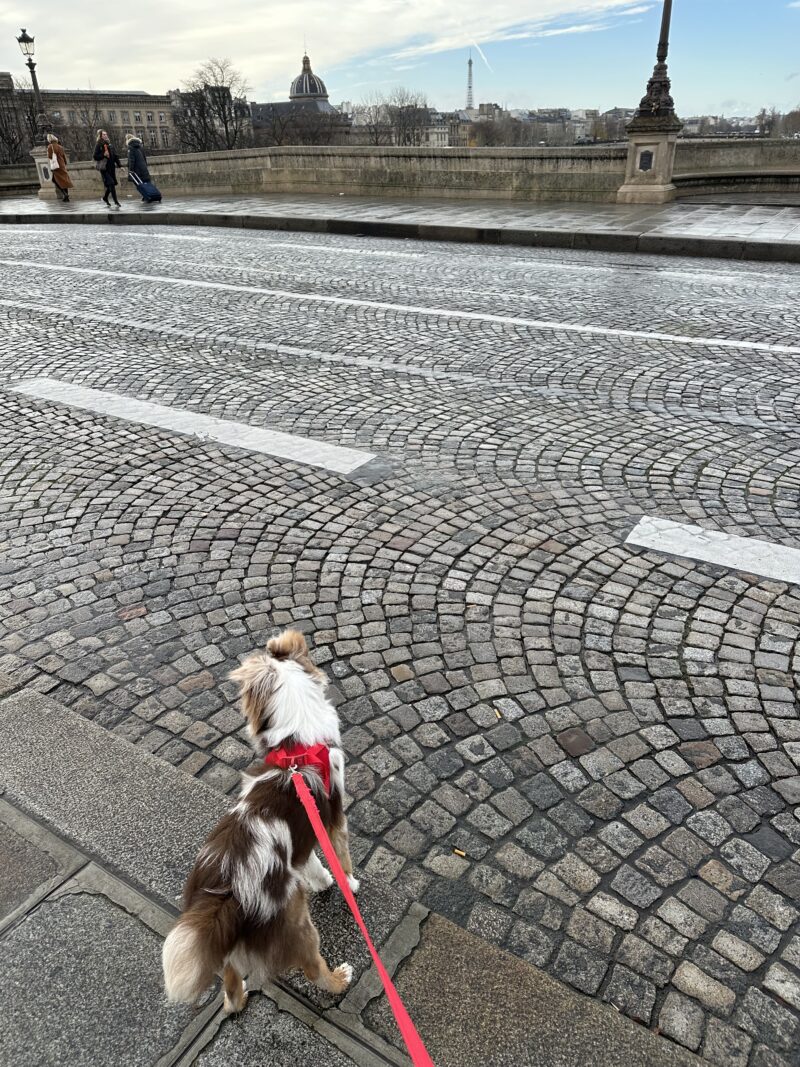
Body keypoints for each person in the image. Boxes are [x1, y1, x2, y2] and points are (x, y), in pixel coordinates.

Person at [93, 130, 122, 208]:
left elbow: (115, 156)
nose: (105, 135)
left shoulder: (110, 144)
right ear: (100, 136)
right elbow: (95, 156)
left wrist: (120, 166)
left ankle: (105, 198)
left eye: (106, 134)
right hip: (104, 168)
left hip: (111, 167)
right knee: (111, 183)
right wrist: (103, 155)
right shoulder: (99, 145)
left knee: (111, 185)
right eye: (103, 134)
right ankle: (116, 202)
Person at [46, 133, 72, 203]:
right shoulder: (60, 147)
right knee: (64, 180)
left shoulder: (50, 146)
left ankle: (64, 193)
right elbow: (64, 156)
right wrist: (64, 164)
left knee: (54, 180)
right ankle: (66, 197)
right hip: (62, 165)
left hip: (56, 166)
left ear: (49, 140)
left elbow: (50, 156)